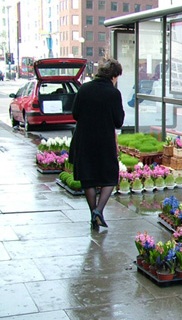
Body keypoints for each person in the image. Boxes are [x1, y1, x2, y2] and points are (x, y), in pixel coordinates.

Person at [69, 58, 125, 231]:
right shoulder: (113, 93)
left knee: (88, 178)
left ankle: (93, 214)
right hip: (104, 141)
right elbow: (118, 122)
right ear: (114, 76)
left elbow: (75, 114)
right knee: (110, 176)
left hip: (84, 140)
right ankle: (98, 211)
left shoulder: (84, 89)